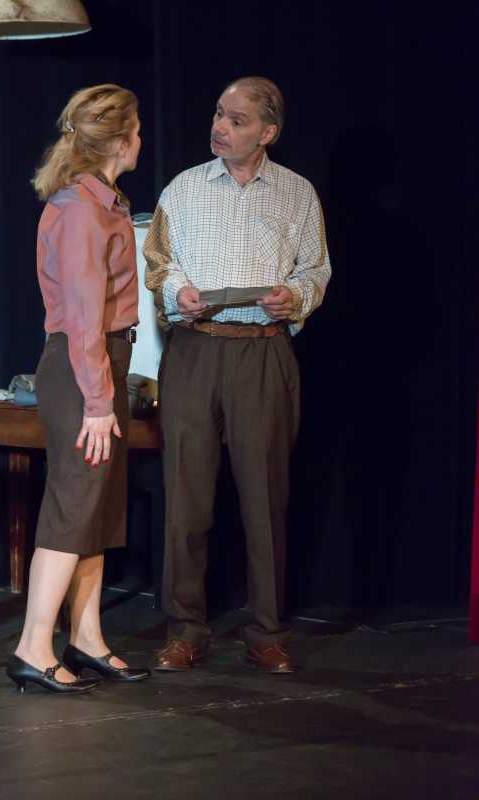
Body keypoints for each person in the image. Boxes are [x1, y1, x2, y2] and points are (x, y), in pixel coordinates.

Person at [144, 76, 331, 674]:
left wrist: (294, 296)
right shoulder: (184, 187)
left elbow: (316, 268)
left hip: (263, 353)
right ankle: (185, 629)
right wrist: (178, 292)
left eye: (237, 120)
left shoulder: (297, 193)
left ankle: (266, 630)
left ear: (267, 132)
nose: (220, 127)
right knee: (187, 498)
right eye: (218, 114)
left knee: (264, 497)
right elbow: (157, 262)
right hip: (196, 351)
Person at [6, 84, 150, 693]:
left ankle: (86, 637)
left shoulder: (105, 203)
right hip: (81, 367)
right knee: (74, 505)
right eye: (136, 130)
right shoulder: (80, 211)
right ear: (118, 141)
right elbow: (85, 317)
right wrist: (97, 402)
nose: (141, 139)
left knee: (97, 507)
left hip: (102, 364)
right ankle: (32, 646)